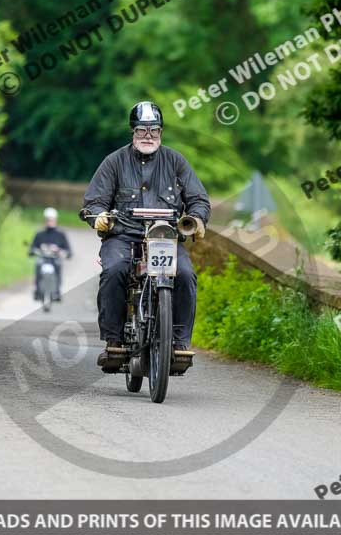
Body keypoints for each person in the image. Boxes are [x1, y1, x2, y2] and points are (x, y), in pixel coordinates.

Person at [82, 101, 210, 367]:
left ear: (161, 132)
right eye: (142, 130)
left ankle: (179, 343)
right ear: (133, 132)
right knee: (114, 270)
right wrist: (99, 217)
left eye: (154, 130)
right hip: (123, 235)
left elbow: (199, 199)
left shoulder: (176, 161)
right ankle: (114, 341)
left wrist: (196, 218)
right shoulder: (114, 162)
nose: (148, 136)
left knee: (186, 275)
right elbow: (93, 202)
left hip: (165, 237)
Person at [28, 207, 72, 300]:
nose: (50, 222)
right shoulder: (39, 234)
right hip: (43, 258)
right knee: (38, 263)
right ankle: (38, 290)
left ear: (55, 220)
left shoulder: (60, 234)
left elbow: (68, 250)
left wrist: (59, 250)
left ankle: (57, 290)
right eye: (48, 220)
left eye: (52, 220)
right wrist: (35, 250)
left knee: (58, 264)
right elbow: (32, 247)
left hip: (55, 258)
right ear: (45, 220)